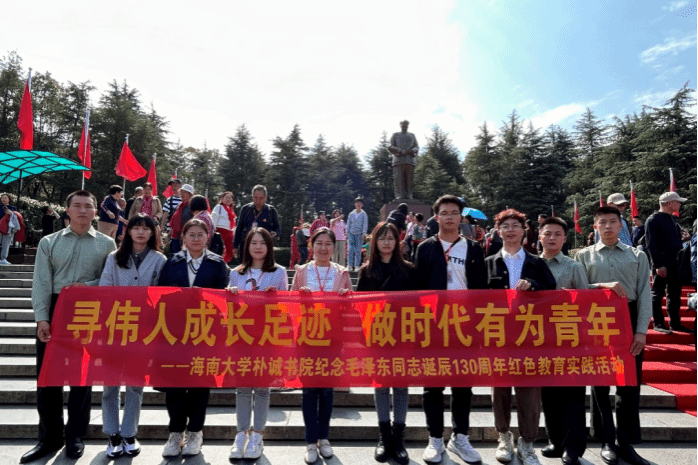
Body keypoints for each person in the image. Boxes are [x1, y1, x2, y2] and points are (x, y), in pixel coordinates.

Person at [22, 190, 116, 463]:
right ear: (67, 210)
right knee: (48, 376)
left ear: (96, 211)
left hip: (88, 310)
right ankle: (48, 438)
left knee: (81, 377)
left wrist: (86, 286)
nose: (83, 210)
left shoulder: (106, 244)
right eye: (77, 205)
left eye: (88, 206)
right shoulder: (49, 242)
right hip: (55, 307)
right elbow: (41, 281)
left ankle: (75, 435)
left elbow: (110, 280)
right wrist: (42, 317)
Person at [576, 206, 652, 465]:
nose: (607, 226)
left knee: (628, 385)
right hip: (596, 320)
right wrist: (600, 285)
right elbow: (576, 290)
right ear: (595, 227)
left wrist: (641, 331)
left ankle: (626, 442)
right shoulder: (583, 256)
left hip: (628, 319)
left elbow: (645, 295)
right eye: (602, 222)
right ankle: (606, 440)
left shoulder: (637, 255)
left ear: (621, 226)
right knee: (599, 384)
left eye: (612, 222)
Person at [413, 195, 486, 465]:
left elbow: (481, 288)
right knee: (432, 386)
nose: (449, 217)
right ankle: (435, 438)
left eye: (454, 212)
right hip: (434, 324)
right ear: (436, 217)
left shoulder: (473, 248)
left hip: (464, 325)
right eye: (444, 213)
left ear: (461, 216)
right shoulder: (425, 248)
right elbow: (418, 288)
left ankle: (460, 437)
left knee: (463, 385)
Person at [485, 209, 556, 465]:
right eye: (505, 226)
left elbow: (552, 292)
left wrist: (533, 286)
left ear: (524, 231)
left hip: (530, 337)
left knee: (530, 393)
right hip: (498, 336)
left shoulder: (537, 263)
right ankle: (504, 436)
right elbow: (476, 298)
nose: (511, 230)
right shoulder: (488, 262)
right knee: (500, 391)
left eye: (516, 225)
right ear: (498, 232)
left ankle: (527, 443)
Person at [157, 218, 229, 457]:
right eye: (191, 235)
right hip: (175, 333)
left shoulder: (217, 264)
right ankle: (175, 432)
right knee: (174, 386)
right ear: (183, 238)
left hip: (204, 333)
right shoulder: (172, 262)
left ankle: (196, 432)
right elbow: (161, 294)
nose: (196, 239)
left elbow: (223, 299)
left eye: (200, 234)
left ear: (207, 237)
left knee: (200, 386)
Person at [98, 214, 166, 458]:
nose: (140, 232)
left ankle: (129, 433)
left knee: (136, 384)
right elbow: (104, 289)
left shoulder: (159, 259)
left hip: (145, 330)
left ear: (152, 233)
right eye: (136, 228)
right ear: (128, 231)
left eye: (145, 229)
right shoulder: (114, 257)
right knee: (110, 384)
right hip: (116, 326)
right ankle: (112, 433)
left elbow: (163, 293)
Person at [357, 222, 416, 465]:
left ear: (397, 241)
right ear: (375, 242)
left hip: (402, 334)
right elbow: (360, 306)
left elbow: (416, 305)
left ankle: (398, 437)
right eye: (381, 238)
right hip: (377, 335)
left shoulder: (408, 270)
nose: (386, 242)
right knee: (381, 385)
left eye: (391, 238)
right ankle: (384, 437)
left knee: (400, 386)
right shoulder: (367, 271)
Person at [227, 228, 288, 460]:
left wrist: (276, 297)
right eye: (254, 242)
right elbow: (229, 307)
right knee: (242, 387)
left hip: (267, 336)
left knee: (262, 387)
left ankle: (258, 436)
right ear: (247, 246)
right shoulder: (236, 273)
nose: (258, 247)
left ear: (269, 246)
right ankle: (241, 433)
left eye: (263, 242)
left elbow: (287, 306)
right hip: (242, 336)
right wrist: (230, 294)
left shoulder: (279, 272)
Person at [291, 228, 351, 464]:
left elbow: (350, 307)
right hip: (307, 337)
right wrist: (300, 296)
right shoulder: (301, 271)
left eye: (328, 244)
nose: (324, 248)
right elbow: (291, 304)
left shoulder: (341, 272)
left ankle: (324, 438)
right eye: (319, 243)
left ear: (334, 247)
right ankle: (310, 441)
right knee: (308, 391)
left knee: (327, 391)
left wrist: (345, 297)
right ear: (311, 246)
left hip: (332, 338)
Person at [538, 217, 589, 465]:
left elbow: (586, 302)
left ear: (565, 239)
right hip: (540, 338)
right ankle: (555, 440)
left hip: (569, 338)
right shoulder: (531, 265)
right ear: (539, 237)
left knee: (573, 394)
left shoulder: (573, 266)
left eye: (557, 234)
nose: (552, 238)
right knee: (548, 393)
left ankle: (573, 446)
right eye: (547, 233)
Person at [645, 191, 693, 334]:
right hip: (662, 262)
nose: (680, 205)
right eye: (678, 202)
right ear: (669, 203)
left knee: (675, 293)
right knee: (658, 293)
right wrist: (658, 265)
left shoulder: (672, 219)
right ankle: (658, 322)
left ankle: (675, 323)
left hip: (675, 262)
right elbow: (651, 244)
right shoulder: (653, 220)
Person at [233, 185, 281, 260]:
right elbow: (239, 228)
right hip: (246, 246)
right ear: (252, 197)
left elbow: (277, 228)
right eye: (255, 197)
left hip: (264, 247)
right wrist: (235, 246)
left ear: (265, 197)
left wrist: (275, 233)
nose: (258, 200)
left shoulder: (271, 210)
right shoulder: (246, 209)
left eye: (261, 198)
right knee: (245, 266)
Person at [388, 120, 419, 199]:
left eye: (406, 124)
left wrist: (412, 150)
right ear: (400, 125)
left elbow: (417, 147)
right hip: (398, 160)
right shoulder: (395, 135)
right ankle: (399, 195)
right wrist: (400, 150)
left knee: (409, 180)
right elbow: (390, 146)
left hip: (410, 160)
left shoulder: (412, 135)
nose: (404, 126)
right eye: (403, 124)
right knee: (398, 179)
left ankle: (409, 195)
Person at [168, 184, 194, 254]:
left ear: (190, 194)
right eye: (181, 192)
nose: (182, 194)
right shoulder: (179, 205)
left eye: (184, 192)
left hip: (186, 238)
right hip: (175, 237)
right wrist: (169, 234)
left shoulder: (192, 207)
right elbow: (173, 220)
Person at [212, 191, 237, 263]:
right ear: (222, 199)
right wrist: (213, 231)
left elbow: (233, 223)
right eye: (226, 197)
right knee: (219, 249)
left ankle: (223, 263)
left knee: (230, 250)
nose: (228, 199)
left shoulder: (231, 210)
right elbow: (214, 218)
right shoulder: (219, 207)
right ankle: (217, 263)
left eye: (230, 198)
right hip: (220, 231)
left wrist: (234, 233)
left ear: (232, 200)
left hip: (230, 232)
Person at [346, 197, 369, 271]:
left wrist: (364, 233)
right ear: (355, 204)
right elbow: (348, 224)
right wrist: (347, 233)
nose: (359, 204)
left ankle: (356, 266)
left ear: (362, 205)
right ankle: (350, 265)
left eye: (360, 203)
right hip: (351, 234)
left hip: (359, 235)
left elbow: (365, 224)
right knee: (350, 250)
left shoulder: (363, 214)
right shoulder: (351, 214)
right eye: (357, 203)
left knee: (358, 251)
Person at [0, 193, 19, 265]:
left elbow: (17, 217)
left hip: (9, 228)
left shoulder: (13, 208)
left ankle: (3, 258)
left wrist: (12, 213)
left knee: (6, 244)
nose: (3, 199)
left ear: (9, 199)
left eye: (5, 198)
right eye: (2, 198)